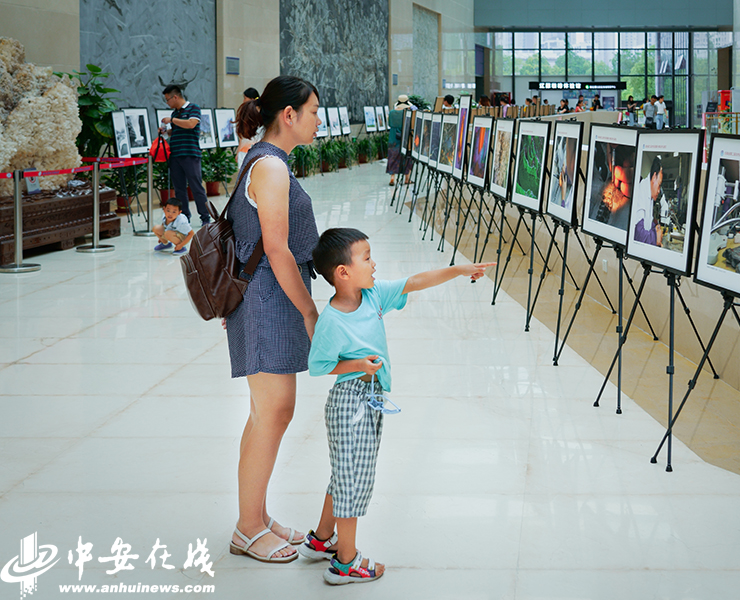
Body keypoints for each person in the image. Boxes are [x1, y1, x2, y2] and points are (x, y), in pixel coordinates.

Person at [303, 227, 493, 584]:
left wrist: (457, 270)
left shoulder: (373, 295)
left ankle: (321, 539)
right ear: (343, 272)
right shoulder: (332, 320)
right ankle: (345, 562)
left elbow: (414, 282)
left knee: (346, 474)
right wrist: (357, 365)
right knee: (351, 481)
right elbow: (319, 366)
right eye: (367, 258)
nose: (374, 264)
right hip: (349, 404)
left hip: (370, 399)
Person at [226, 75, 322, 564]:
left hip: (265, 296)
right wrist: (309, 309)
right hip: (268, 297)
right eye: (313, 111)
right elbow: (278, 250)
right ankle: (247, 528)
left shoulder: (267, 160)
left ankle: (257, 516)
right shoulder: (271, 167)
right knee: (275, 410)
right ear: (289, 115)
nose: (318, 120)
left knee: (266, 412)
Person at [158, 84, 210, 225]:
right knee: (179, 189)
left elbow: (191, 124)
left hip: (190, 154)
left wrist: (172, 121)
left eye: (168, 100)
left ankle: (205, 217)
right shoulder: (175, 113)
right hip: (175, 155)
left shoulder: (193, 108)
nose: (167, 103)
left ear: (175, 97)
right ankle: (184, 217)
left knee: (196, 187)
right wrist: (165, 132)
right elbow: (176, 131)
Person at [633, 155, 664, 246]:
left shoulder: (649, 194)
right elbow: (638, 235)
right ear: (654, 177)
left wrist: (655, 228)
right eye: (659, 185)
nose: (659, 191)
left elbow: (647, 222)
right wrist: (655, 237)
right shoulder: (641, 192)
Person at [386, 94, 413, 186]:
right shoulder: (407, 113)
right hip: (405, 138)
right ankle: (407, 179)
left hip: (393, 137)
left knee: (393, 157)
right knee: (407, 157)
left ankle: (392, 178)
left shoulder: (391, 112)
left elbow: (390, 124)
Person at [237, 87, 263, 170]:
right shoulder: (246, 113)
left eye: (245, 98)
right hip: (247, 151)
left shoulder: (260, 113)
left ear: (251, 99)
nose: (244, 100)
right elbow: (242, 135)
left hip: (253, 151)